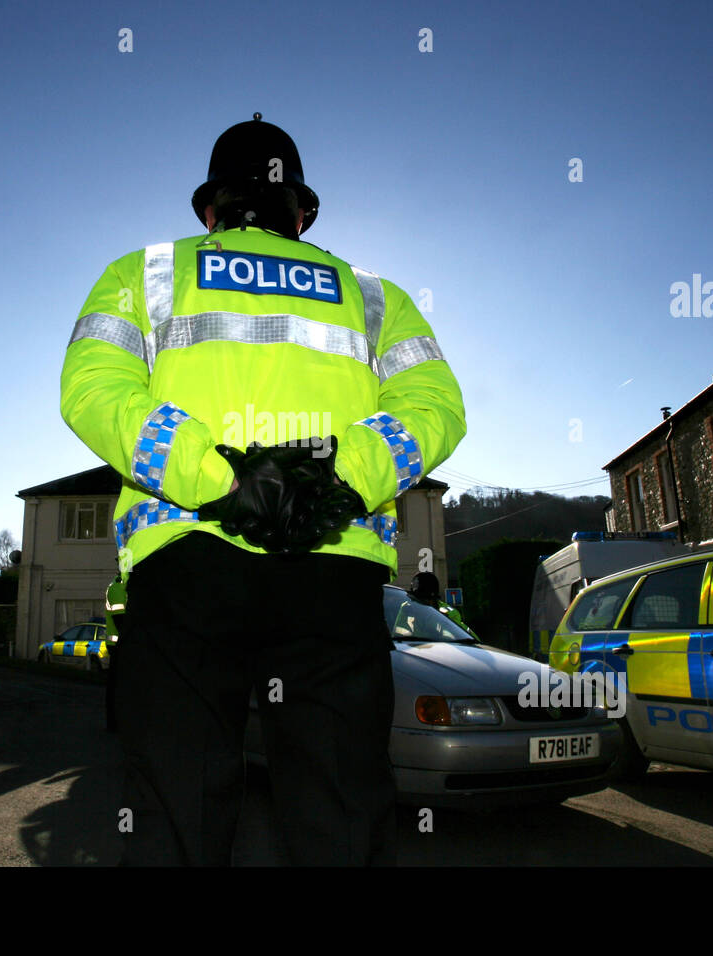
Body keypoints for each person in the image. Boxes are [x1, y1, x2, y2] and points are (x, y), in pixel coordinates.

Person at [60, 113, 466, 865]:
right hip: (331, 573)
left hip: (186, 569)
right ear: (301, 212)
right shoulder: (373, 295)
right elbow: (437, 409)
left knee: (174, 818)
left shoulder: (145, 271)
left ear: (210, 208)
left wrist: (223, 485)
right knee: (342, 812)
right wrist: (336, 483)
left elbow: (92, 392)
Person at [407, 571, 476, 635]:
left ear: (433, 599)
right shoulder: (406, 608)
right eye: (414, 599)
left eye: (421, 599)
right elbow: (400, 631)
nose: (414, 602)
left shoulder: (449, 614)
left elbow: (466, 637)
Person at [103, 569, 126, 733]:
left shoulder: (120, 587)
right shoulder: (118, 588)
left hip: (120, 645)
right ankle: (115, 722)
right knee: (118, 685)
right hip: (119, 646)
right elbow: (121, 620)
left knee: (118, 685)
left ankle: (115, 721)